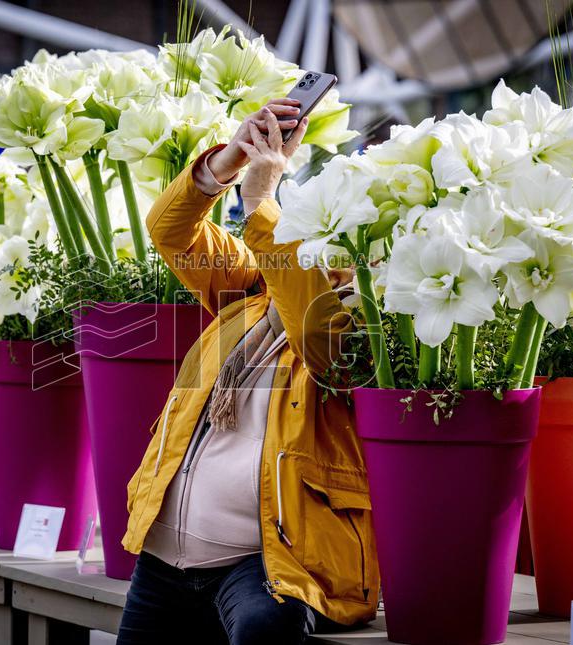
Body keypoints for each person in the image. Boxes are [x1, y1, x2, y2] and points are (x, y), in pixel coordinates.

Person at [115, 99, 378, 644]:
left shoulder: (370, 326)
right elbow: (170, 232)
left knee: (266, 628)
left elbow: (319, 336)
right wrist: (228, 161)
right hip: (165, 560)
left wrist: (261, 200)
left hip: (267, 565)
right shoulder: (255, 295)